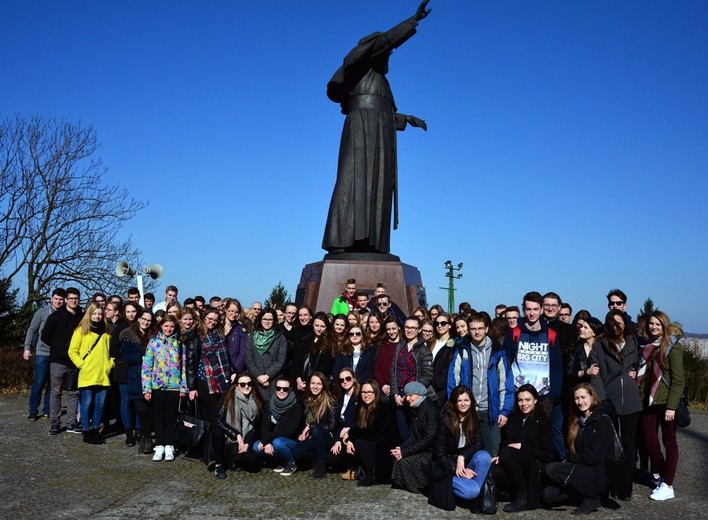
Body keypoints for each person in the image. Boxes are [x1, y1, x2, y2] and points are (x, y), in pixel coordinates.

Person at [322, 1, 431, 254]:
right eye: (386, 52)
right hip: (361, 128)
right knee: (353, 181)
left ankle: (370, 241)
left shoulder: (382, 82)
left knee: (378, 186)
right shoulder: (361, 66)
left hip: (380, 132)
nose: (388, 56)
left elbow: (381, 113)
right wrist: (412, 22)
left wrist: (407, 119)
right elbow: (385, 42)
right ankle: (341, 240)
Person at [503, 291, 565, 461]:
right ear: (523, 310)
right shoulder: (514, 334)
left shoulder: (551, 335)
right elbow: (506, 364)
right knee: (516, 435)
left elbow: (556, 367)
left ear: (541, 310)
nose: (532, 313)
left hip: (543, 396)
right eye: (528, 309)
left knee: (541, 439)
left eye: (535, 309)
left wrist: (553, 395)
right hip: (518, 394)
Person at [590, 309, 642, 501]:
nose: (616, 327)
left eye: (619, 323)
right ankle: (609, 484)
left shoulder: (632, 342)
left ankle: (625, 487)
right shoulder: (600, 344)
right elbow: (595, 373)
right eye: (612, 324)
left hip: (631, 399)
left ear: (624, 325)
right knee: (611, 444)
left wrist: (634, 374)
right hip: (608, 398)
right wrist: (602, 399)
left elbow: (637, 365)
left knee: (629, 444)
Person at [543, 383, 616, 515]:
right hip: (582, 470)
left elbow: (593, 456)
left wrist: (570, 459)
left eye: (583, 397)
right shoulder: (579, 420)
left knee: (552, 469)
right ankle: (584, 496)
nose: (580, 402)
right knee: (548, 495)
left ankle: (593, 496)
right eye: (577, 398)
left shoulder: (602, 420)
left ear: (592, 396)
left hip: (598, 474)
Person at [448, 313, 513, 457]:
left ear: (486, 328)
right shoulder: (462, 349)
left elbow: (505, 381)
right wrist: (454, 406)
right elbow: (453, 379)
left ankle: (489, 478)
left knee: (492, 449)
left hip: (490, 410)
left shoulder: (497, 351)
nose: (477, 332)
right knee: (467, 450)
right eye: (473, 329)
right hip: (467, 410)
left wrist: (504, 410)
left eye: (480, 328)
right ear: (469, 330)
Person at [637, 310, 684, 501]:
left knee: (669, 442)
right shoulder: (648, 346)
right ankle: (662, 475)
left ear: (664, 325)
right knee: (649, 440)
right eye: (651, 324)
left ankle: (668, 485)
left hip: (665, 401)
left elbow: (678, 380)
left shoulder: (672, 346)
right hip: (649, 400)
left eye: (657, 324)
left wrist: (672, 407)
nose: (653, 327)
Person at [428, 385, 493, 511]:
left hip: (464, 462)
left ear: (471, 401)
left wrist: (462, 457)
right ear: (454, 402)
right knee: (471, 491)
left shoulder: (474, 417)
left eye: (466, 400)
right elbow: (439, 454)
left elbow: (479, 443)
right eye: (459, 400)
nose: (463, 404)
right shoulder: (445, 421)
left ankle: (473, 494)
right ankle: (474, 495)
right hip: (447, 469)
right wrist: (456, 469)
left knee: (484, 456)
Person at [187, 309, 235, 478]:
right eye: (209, 318)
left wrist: (232, 372)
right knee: (215, 422)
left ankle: (216, 458)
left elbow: (226, 359)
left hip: (221, 382)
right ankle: (219, 463)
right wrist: (191, 387)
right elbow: (190, 363)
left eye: (215, 319)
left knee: (215, 422)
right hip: (203, 383)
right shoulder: (196, 336)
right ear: (203, 318)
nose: (212, 322)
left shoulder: (219, 335)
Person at [491, 384, 551, 513]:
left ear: (535, 400)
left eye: (527, 400)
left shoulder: (543, 421)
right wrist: (499, 456)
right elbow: (506, 444)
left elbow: (545, 455)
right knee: (494, 468)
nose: (523, 404)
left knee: (507, 452)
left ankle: (523, 495)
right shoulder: (514, 419)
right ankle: (513, 493)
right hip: (514, 463)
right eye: (520, 400)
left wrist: (523, 447)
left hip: (534, 465)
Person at [142, 316, 187, 462]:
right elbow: (147, 366)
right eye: (166, 326)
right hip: (158, 386)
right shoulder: (154, 343)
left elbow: (184, 367)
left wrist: (183, 386)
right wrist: (146, 388)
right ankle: (159, 444)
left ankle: (169, 445)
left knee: (171, 417)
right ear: (161, 326)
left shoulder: (180, 343)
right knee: (159, 417)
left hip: (174, 387)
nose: (169, 329)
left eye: (171, 326)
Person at [68, 304, 113, 444]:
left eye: (100, 314)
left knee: (100, 404)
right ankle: (86, 430)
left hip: (102, 374)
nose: (97, 316)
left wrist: (109, 365)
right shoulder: (81, 331)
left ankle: (95, 429)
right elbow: (72, 351)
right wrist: (82, 365)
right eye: (94, 314)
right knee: (86, 404)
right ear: (89, 314)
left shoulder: (107, 333)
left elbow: (111, 353)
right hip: (87, 374)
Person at [42, 286, 83, 435]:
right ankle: (55, 422)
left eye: (76, 298)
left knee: (73, 392)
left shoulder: (82, 316)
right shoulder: (55, 317)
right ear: (66, 300)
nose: (74, 301)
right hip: (58, 360)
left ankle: (71, 422)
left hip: (75, 361)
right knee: (56, 391)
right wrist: (58, 347)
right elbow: (45, 336)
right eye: (71, 298)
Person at [342, 379, 398, 486]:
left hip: (386, 445)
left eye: (369, 392)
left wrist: (350, 433)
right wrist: (350, 440)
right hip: (374, 442)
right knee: (356, 442)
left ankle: (370, 474)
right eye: (363, 392)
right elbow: (359, 428)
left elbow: (373, 433)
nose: (366, 395)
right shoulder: (361, 408)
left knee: (361, 442)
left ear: (375, 393)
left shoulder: (381, 408)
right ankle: (360, 470)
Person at [23, 288, 65, 421]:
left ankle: (47, 409)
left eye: (61, 299)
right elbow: (32, 330)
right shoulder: (42, 312)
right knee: (39, 382)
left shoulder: (64, 314)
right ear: (52, 298)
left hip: (57, 354)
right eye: (56, 298)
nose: (58, 301)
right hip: (42, 352)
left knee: (53, 384)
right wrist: (27, 348)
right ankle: (33, 410)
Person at [391, 381, 438, 493]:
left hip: (431, 450)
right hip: (423, 447)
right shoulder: (416, 409)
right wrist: (401, 449)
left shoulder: (430, 410)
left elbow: (428, 438)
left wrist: (405, 452)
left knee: (410, 461)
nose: (407, 398)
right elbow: (413, 435)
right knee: (399, 459)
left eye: (410, 395)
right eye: (406, 395)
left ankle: (422, 488)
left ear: (419, 395)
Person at [390, 317, 433, 441]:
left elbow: (428, 375)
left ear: (419, 330)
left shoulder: (424, 350)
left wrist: (412, 393)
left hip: (415, 396)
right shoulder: (399, 347)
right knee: (403, 434)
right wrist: (395, 394)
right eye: (407, 327)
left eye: (413, 328)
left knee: (416, 434)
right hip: (399, 395)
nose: (409, 330)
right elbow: (393, 371)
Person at [253, 376, 304, 475]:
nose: (281, 391)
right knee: (256, 446)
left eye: (285, 389)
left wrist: (266, 439)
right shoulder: (271, 403)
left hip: (291, 440)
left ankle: (291, 463)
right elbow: (264, 425)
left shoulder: (296, 406)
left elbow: (289, 431)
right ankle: (278, 461)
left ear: (290, 390)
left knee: (278, 443)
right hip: (273, 438)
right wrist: (266, 443)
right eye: (278, 388)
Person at [119, 308, 154, 452]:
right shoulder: (129, 335)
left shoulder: (153, 336)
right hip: (135, 375)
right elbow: (125, 356)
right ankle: (135, 434)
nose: (146, 322)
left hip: (151, 377)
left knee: (148, 409)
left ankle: (144, 435)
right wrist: (142, 358)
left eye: (149, 320)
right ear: (139, 319)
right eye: (144, 319)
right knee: (139, 408)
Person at [292, 372, 337, 479]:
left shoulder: (330, 401)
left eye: (319, 384)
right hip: (314, 437)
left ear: (323, 385)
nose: (315, 387)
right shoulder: (307, 400)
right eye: (313, 383)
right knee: (297, 451)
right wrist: (303, 432)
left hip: (327, 436)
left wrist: (311, 427)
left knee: (317, 429)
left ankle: (321, 465)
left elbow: (332, 426)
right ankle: (317, 454)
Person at [218, 372, 263, 473]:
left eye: (249, 383)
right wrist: (237, 435)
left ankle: (240, 457)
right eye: (242, 384)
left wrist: (246, 442)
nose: (246, 386)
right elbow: (219, 422)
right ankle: (232, 458)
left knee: (253, 461)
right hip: (231, 436)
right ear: (237, 386)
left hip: (248, 435)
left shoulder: (256, 399)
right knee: (238, 456)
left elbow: (256, 426)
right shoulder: (229, 399)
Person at [245, 308, 287, 402]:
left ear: (274, 321)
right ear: (260, 319)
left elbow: (281, 360)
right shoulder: (252, 336)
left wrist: (267, 375)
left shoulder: (280, 337)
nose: (267, 322)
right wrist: (259, 376)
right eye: (265, 319)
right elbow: (248, 358)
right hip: (255, 379)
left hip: (272, 380)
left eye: (270, 319)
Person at [328, 368, 360, 479]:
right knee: (331, 459)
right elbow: (339, 424)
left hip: (355, 433)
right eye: (341, 380)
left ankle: (354, 468)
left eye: (348, 378)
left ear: (354, 379)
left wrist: (350, 431)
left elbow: (361, 421)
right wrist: (337, 441)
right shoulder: (340, 396)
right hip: (341, 434)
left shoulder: (359, 397)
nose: (345, 381)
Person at [565, 317, 604, 389]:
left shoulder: (603, 349)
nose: (581, 329)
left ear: (594, 332)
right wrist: (586, 372)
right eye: (581, 326)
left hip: (599, 389)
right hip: (579, 389)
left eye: (585, 327)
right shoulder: (574, 349)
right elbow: (569, 373)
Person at [430, 313, 455, 404]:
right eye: (437, 323)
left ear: (449, 325)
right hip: (429, 387)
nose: (440, 326)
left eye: (443, 323)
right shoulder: (431, 342)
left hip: (443, 389)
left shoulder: (453, 344)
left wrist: (440, 383)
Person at [223, 298, 249, 374]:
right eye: (231, 311)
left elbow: (243, 354)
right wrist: (223, 335)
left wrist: (235, 371)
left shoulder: (241, 330)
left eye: (236, 312)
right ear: (225, 310)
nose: (233, 314)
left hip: (235, 369)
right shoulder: (218, 327)